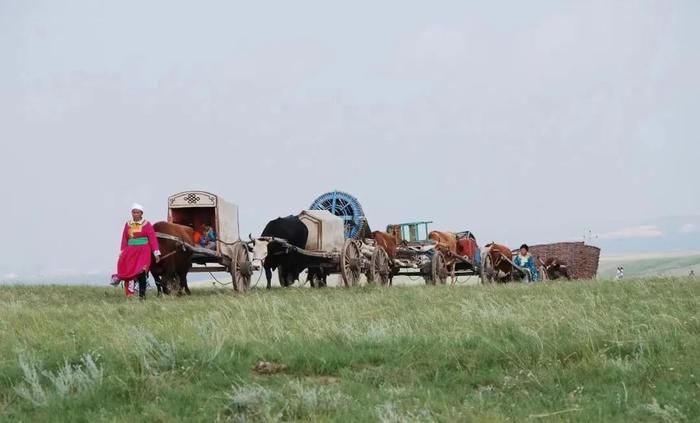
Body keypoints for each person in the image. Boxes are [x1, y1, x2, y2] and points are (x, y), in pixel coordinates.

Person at [110, 203, 161, 298]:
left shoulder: (147, 224)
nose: (135, 214)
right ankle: (129, 293)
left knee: (141, 271)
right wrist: (122, 251)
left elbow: (152, 239)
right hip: (131, 251)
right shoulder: (128, 224)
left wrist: (156, 253)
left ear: (141, 213)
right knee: (128, 270)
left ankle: (142, 296)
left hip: (143, 251)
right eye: (133, 212)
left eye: (137, 212)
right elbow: (124, 238)